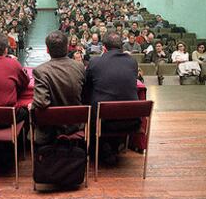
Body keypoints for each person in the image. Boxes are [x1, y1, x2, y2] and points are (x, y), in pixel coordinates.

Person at [85, 31, 140, 165]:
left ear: (104, 47)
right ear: (122, 46)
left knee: (91, 104)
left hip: (104, 121)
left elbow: (86, 88)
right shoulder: (132, 62)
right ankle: (114, 147)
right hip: (132, 120)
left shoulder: (95, 62)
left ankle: (97, 151)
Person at [32, 30, 85, 145]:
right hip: (76, 124)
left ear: (47, 49)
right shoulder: (80, 67)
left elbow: (41, 102)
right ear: (67, 47)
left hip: (52, 128)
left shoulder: (40, 71)